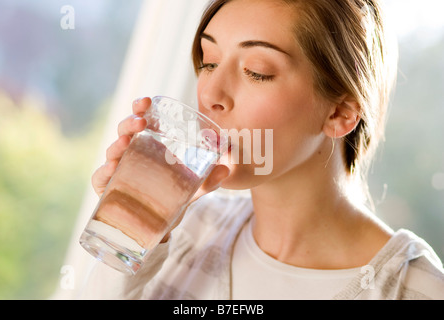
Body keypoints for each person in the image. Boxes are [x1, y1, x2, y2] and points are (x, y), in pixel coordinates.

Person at [82, 0, 444, 299]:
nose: (209, 95)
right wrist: (135, 235)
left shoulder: (412, 288)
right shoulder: (189, 230)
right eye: (209, 62)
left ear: (340, 112)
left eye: (256, 71)